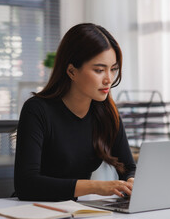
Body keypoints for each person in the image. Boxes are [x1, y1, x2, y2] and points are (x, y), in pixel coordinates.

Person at [14, 23, 136, 201]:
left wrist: (131, 182)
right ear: (72, 71)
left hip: (75, 211)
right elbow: (26, 185)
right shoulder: (37, 110)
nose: (108, 79)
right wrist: (97, 187)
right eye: (99, 70)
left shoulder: (106, 112)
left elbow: (128, 168)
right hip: (35, 210)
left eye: (113, 69)